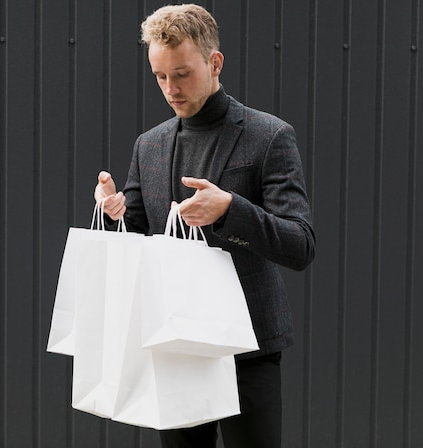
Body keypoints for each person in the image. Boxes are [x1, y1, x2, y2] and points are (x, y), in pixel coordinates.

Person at [94, 4, 315, 448]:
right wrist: (110, 214)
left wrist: (231, 208)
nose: (170, 89)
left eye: (181, 74)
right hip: (174, 344)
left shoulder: (269, 136)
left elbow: (300, 244)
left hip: (248, 348)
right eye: (160, 76)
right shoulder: (150, 145)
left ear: (214, 63)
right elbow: (136, 240)